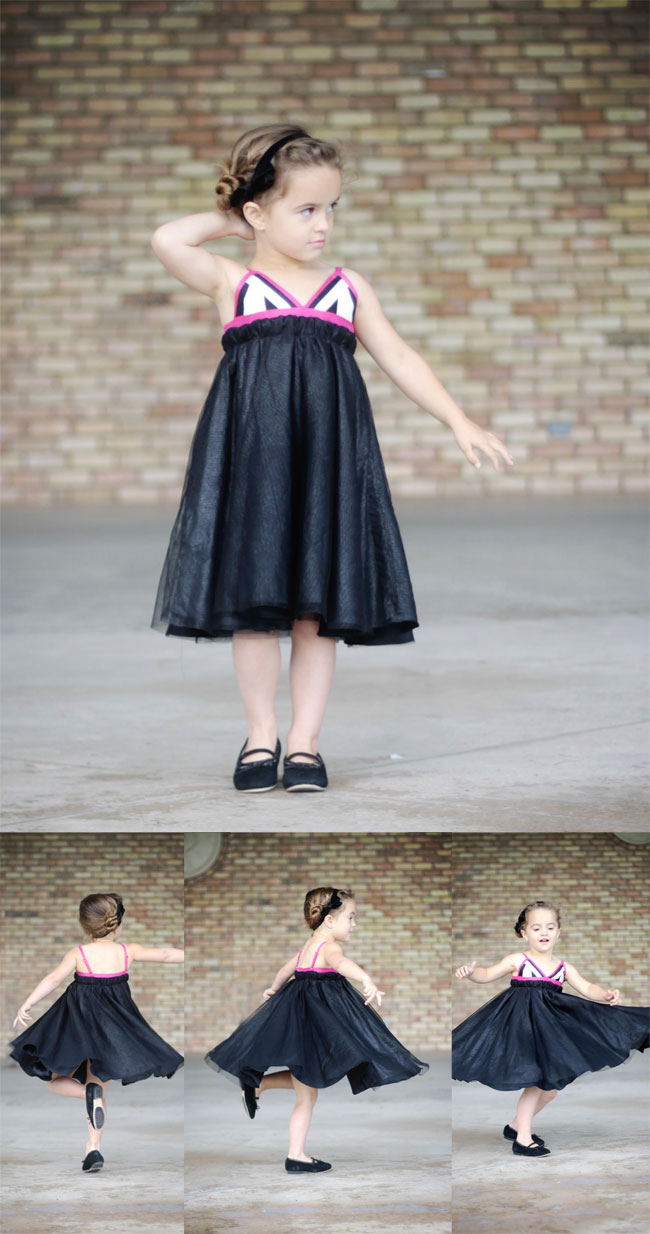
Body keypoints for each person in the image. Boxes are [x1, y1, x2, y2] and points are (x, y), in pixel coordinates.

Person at [150, 123, 513, 794]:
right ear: (258, 212)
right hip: (255, 465)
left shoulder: (346, 287)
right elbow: (168, 239)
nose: (323, 224)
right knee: (256, 608)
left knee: (315, 611)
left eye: (332, 208)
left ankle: (306, 744)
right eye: (306, 209)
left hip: (327, 465)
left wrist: (457, 418)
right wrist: (236, 216)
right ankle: (261, 735)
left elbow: (399, 355)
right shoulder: (235, 281)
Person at [205, 886, 428, 1173]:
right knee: (308, 1094)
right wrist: (365, 979)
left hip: (301, 1025)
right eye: (351, 917)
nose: (354, 924)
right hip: (315, 1028)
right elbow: (341, 963)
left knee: (307, 1084)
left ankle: (259, 1086)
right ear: (330, 920)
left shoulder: (308, 947)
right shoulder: (329, 947)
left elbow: (286, 970)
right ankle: (295, 1154)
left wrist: (273, 989)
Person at [452, 900, 649, 1157]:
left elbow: (587, 987)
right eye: (536, 928)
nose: (543, 933)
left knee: (551, 1090)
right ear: (524, 933)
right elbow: (487, 974)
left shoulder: (563, 967)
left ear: (558, 931)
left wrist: (605, 994)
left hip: (550, 1032)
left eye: (550, 927)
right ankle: (522, 1139)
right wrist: (471, 972)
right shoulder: (518, 960)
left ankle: (515, 1126)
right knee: (535, 1083)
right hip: (522, 1030)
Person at [9, 893, 184, 1174]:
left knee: (54, 1081)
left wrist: (28, 1003)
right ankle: (93, 1149)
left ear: (85, 926)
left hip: (75, 1027)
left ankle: (84, 1095)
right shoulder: (126, 952)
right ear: (117, 926)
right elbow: (165, 954)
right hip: (111, 1031)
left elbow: (53, 979)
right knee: (100, 1088)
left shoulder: (78, 954)